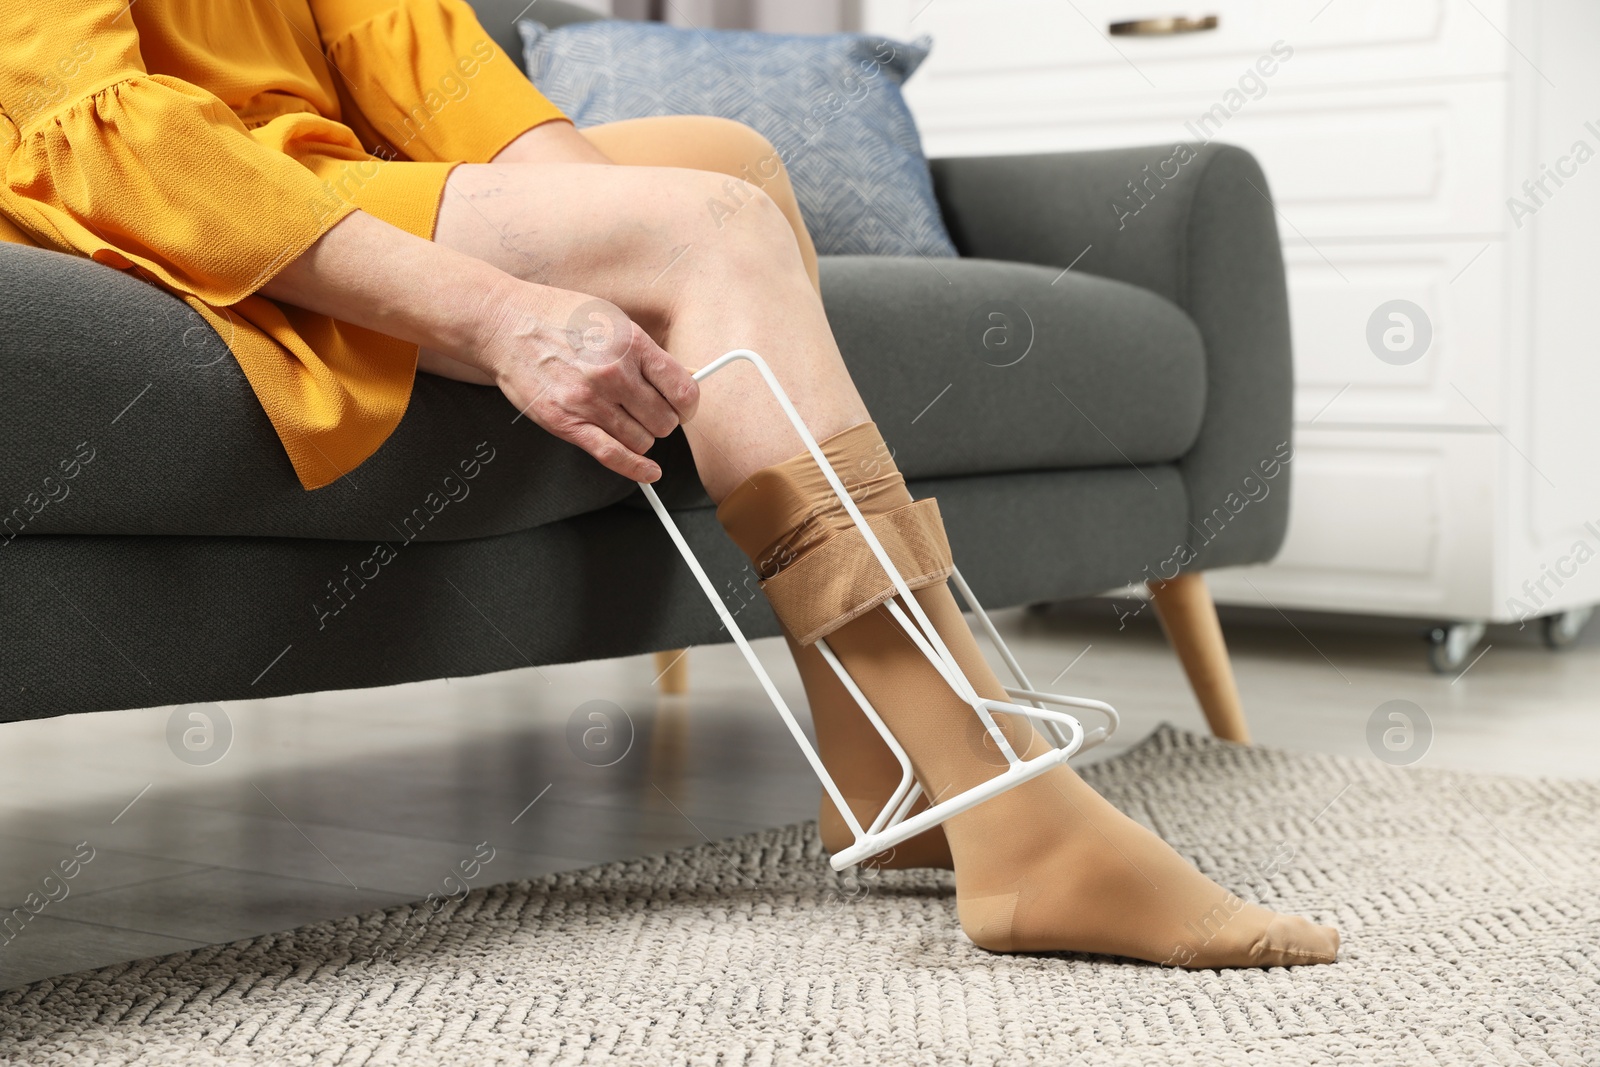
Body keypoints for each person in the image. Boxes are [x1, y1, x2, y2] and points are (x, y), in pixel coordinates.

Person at [1, 0, 1338, 968]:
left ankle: (884, 767)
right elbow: (107, 141)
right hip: (170, 207)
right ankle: (1003, 803)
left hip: (316, 158)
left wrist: (609, 238)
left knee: (725, 175)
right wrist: (499, 313)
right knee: (711, 228)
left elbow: (422, 60)